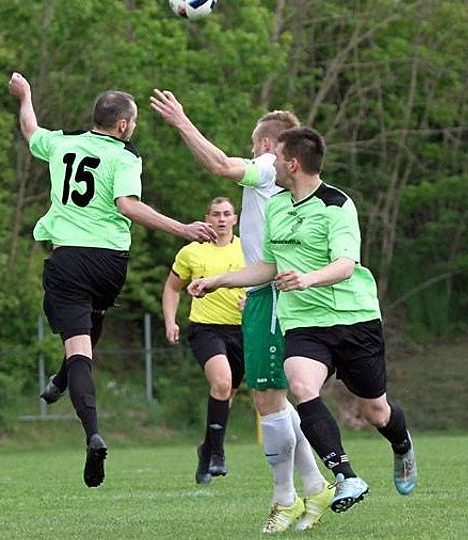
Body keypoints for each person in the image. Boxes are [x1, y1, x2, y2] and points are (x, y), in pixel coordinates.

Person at [187, 127, 417, 515]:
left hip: (353, 318)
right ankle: (345, 476)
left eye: (275, 158)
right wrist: (219, 281)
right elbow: (269, 266)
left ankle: (402, 444)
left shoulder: (336, 205)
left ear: (292, 164)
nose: (269, 164)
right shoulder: (277, 206)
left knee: (375, 411)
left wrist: (307, 278)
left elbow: (346, 265)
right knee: (301, 385)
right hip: (304, 321)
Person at [8, 73, 216, 488]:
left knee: (78, 348)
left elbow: (30, 128)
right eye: (133, 122)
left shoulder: (63, 143)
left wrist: (26, 95)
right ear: (123, 125)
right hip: (110, 262)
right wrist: (182, 228)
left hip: (69, 258)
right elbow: (127, 206)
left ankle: (92, 434)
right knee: (92, 323)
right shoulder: (125, 156)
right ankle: (61, 380)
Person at [150, 91, 331, 533]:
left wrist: (182, 122)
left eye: (253, 145)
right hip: (265, 291)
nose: (251, 153)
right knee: (273, 399)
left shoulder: (268, 166)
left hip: (273, 294)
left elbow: (219, 165)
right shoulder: (279, 175)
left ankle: (287, 498)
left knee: (269, 399)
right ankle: (314, 486)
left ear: (267, 145)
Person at [161, 197, 246, 485]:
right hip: (206, 329)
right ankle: (218, 454)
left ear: (235, 219)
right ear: (207, 218)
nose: (221, 219)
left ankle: (206, 449)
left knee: (227, 396)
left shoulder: (248, 248)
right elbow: (172, 288)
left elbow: (264, 282)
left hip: (242, 331)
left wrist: (252, 301)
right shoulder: (192, 251)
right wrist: (170, 321)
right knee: (221, 383)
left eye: (226, 214)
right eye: (216, 214)